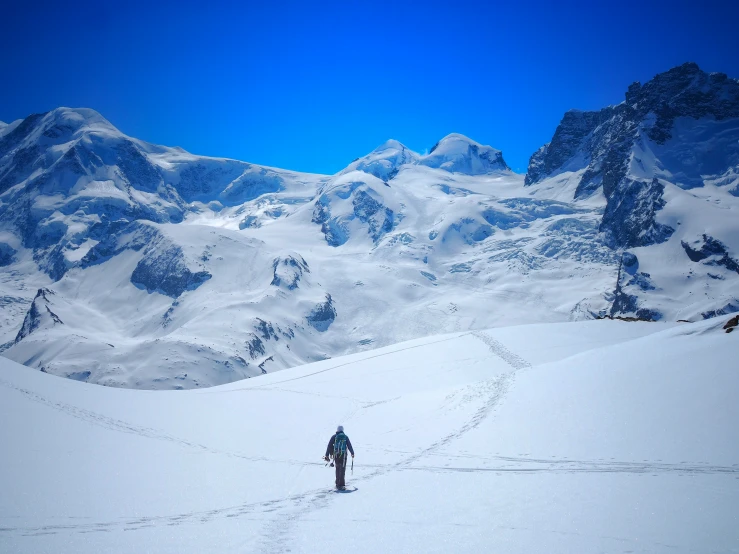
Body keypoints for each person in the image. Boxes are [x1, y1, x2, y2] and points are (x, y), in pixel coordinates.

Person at [324, 425, 355, 490]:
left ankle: (337, 483)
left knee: (337, 468)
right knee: (343, 469)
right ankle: (342, 484)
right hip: (343, 455)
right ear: (343, 430)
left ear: (337, 430)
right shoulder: (345, 437)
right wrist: (352, 453)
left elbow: (329, 446)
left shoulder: (334, 437)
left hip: (336, 455)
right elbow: (349, 445)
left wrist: (327, 455)